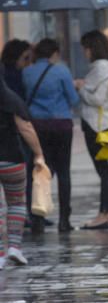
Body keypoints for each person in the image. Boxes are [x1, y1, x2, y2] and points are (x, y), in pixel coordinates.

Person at [23, 39, 79, 233]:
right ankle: (64, 219)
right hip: (61, 126)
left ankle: (37, 218)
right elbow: (73, 99)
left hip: (37, 127)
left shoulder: (27, 72)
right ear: (54, 53)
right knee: (63, 172)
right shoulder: (62, 71)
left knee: (38, 171)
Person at [74, 30, 108, 230]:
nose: (84, 52)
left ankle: (105, 214)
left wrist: (80, 87)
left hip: (96, 126)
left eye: (86, 48)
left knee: (103, 172)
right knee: (104, 172)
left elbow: (96, 99)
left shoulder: (100, 68)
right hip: (103, 124)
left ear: (92, 48)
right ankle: (107, 213)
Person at [0, 77, 45, 269]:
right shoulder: (11, 99)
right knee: (17, 202)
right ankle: (15, 248)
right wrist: (39, 154)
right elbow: (26, 128)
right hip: (12, 158)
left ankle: (0, 253)